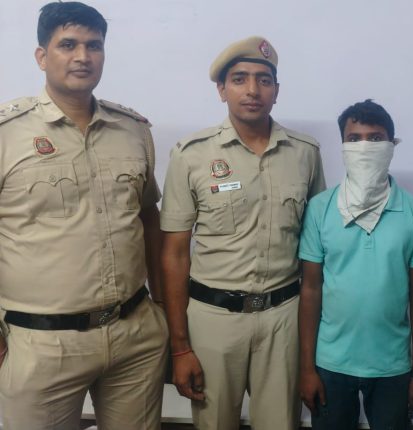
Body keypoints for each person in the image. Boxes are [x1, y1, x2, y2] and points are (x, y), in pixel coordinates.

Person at [0, 2, 167, 429]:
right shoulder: (8, 134)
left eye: (94, 46)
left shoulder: (132, 130)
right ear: (42, 56)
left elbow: (148, 219)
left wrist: (162, 307)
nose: (82, 56)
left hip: (134, 336)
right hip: (42, 344)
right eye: (68, 45)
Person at [160, 35, 326, 430]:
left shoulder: (305, 153)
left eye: (263, 80)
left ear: (276, 91)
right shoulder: (192, 154)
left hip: (283, 317)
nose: (252, 90)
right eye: (239, 79)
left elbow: (316, 246)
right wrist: (180, 347)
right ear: (221, 90)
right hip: (214, 319)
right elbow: (174, 254)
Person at [298, 99, 413, 430]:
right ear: (343, 146)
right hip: (331, 363)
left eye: (376, 138)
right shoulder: (321, 208)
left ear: (391, 145)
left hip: (393, 366)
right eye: (354, 139)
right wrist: (307, 368)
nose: (365, 147)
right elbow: (311, 289)